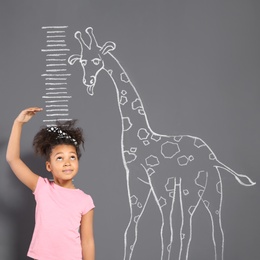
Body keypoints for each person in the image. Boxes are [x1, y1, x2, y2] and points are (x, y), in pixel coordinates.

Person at [6, 107, 95, 260]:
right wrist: (18, 123)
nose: (67, 163)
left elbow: (87, 241)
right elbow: (13, 159)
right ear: (49, 166)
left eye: (72, 157)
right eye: (60, 158)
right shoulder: (42, 188)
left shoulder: (85, 200)